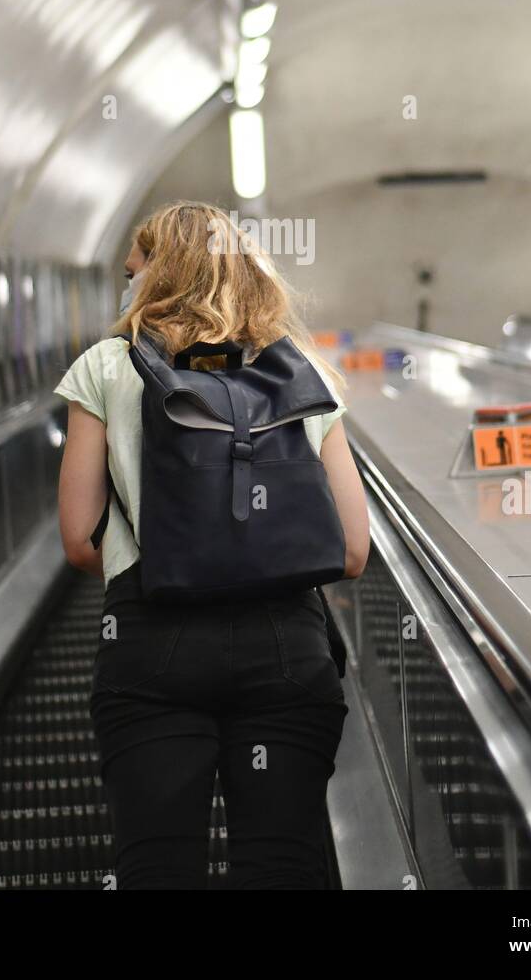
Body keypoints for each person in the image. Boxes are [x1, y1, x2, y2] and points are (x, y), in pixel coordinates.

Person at [55, 201, 370, 890]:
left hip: (151, 642)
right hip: (287, 645)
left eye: (134, 271)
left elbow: (80, 538)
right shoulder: (301, 375)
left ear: (160, 277)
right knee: (282, 865)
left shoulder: (108, 367)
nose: (128, 284)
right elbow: (352, 551)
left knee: (158, 869)